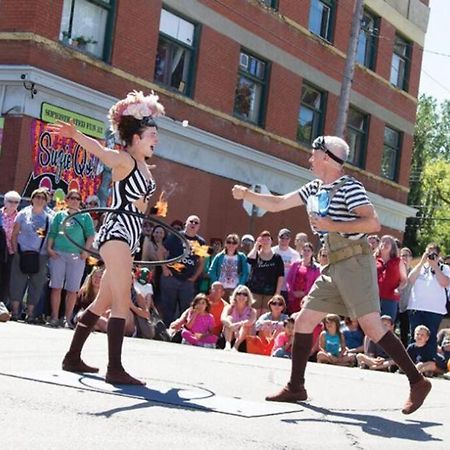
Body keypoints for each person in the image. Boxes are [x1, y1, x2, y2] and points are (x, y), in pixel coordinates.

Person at [232, 135, 431, 414]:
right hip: (334, 264)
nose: (310, 159)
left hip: (355, 261)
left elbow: (373, 223)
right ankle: (296, 386)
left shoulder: (350, 187)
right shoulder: (314, 187)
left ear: (327, 157)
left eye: (313, 154)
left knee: (373, 328)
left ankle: (417, 381)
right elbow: (278, 203)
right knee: (303, 321)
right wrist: (248, 195)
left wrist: (330, 223)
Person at [48, 90, 165, 385]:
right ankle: (115, 368)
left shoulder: (144, 168)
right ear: (136, 137)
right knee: (122, 301)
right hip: (117, 234)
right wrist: (75, 135)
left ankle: (72, 357)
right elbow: (101, 151)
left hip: (130, 234)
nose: (156, 139)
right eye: (152, 133)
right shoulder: (124, 160)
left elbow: (140, 204)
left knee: (103, 302)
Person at [47, 189, 96, 328]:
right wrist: (50, 248)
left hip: (77, 256)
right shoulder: (59, 215)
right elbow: (52, 233)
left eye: (77, 198)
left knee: (72, 289)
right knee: (56, 287)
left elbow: (90, 235)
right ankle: (54, 317)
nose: (74, 201)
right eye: (72, 198)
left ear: (80, 202)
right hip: (58, 253)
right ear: (67, 200)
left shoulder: (85, 216)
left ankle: (67, 319)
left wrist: (86, 251)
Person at [9, 188, 53, 323]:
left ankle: (30, 313)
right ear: (32, 199)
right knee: (17, 282)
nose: (40, 200)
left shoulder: (49, 217)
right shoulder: (23, 214)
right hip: (22, 252)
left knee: (36, 284)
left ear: (46, 201)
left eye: (43, 198)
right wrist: (16, 250)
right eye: (37, 197)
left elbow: (46, 237)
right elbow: (15, 233)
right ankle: (15, 311)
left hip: (40, 255)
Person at [160, 214, 206, 326]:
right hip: (171, 278)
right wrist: (164, 269)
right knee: (167, 307)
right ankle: (166, 332)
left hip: (187, 281)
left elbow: (202, 262)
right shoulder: (175, 236)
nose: (193, 224)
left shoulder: (202, 242)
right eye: (191, 221)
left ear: (199, 227)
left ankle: (181, 334)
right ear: (186, 223)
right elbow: (160, 251)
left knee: (186, 308)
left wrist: (194, 277)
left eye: (196, 223)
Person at [407, 243, 450, 355]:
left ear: (439, 255)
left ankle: (428, 364)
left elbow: (445, 283)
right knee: (414, 336)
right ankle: (411, 362)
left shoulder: (444, 268)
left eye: (433, 253)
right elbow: (410, 279)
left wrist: (435, 266)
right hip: (416, 307)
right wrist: (422, 262)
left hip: (434, 310)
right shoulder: (419, 266)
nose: (430, 256)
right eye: (428, 253)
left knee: (430, 338)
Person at [246, 230, 284, 317]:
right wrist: (256, 246)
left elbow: (280, 276)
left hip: (270, 292)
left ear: (271, 241)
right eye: (263, 239)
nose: (266, 241)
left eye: (268, 239)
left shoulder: (277, 258)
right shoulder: (256, 254)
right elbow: (249, 259)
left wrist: (277, 292)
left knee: (266, 315)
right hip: (255, 291)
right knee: (254, 314)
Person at [375, 235, 407, 322]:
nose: (385, 243)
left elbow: (404, 280)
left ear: (392, 246)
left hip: (390, 299)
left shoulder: (398, 261)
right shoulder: (374, 260)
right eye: (383, 241)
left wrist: (398, 288)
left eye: (388, 242)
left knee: (386, 326)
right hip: (374, 298)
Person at [208, 233, 249, 300]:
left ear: (237, 245)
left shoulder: (241, 257)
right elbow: (211, 271)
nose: (231, 245)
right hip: (220, 290)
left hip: (235, 289)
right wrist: (217, 284)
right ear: (225, 243)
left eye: (234, 243)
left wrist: (240, 285)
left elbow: (246, 273)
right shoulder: (219, 256)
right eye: (229, 242)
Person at [285, 242, 320, 315]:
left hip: (306, 299)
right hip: (293, 298)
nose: (306, 252)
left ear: (312, 253)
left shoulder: (316, 268)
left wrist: (304, 293)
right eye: (304, 250)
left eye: (308, 250)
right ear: (301, 252)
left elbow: (316, 284)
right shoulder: (295, 264)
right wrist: (292, 292)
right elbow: (289, 280)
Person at [0, 190, 21, 304]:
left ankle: (2, 304)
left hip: (13, 252)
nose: (13, 204)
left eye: (16, 202)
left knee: (7, 279)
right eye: (10, 201)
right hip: (0, 251)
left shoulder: (21, 217)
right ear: (5, 201)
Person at [221, 285, 257, 351]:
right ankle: (227, 344)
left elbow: (250, 322)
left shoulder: (252, 311)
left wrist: (239, 324)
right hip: (230, 334)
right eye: (239, 293)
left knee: (245, 324)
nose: (241, 296)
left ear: (248, 297)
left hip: (244, 339)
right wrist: (233, 327)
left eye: (245, 294)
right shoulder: (229, 307)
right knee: (229, 318)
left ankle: (236, 346)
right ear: (235, 296)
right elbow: (223, 318)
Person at [272, 228, 300, 301]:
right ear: (278, 238)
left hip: (287, 288)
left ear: (290, 239)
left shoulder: (295, 254)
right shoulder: (272, 251)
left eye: (287, 238)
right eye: (282, 237)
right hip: (272, 286)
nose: (284, 240)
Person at [398, 247, 414, 347]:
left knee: (405, 332)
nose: (404, 257)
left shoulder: (415, 273)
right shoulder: (396, 271)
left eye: (407, 255)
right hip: (395, 304)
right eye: (402, 255)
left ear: (411, 258)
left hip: (408, 306)